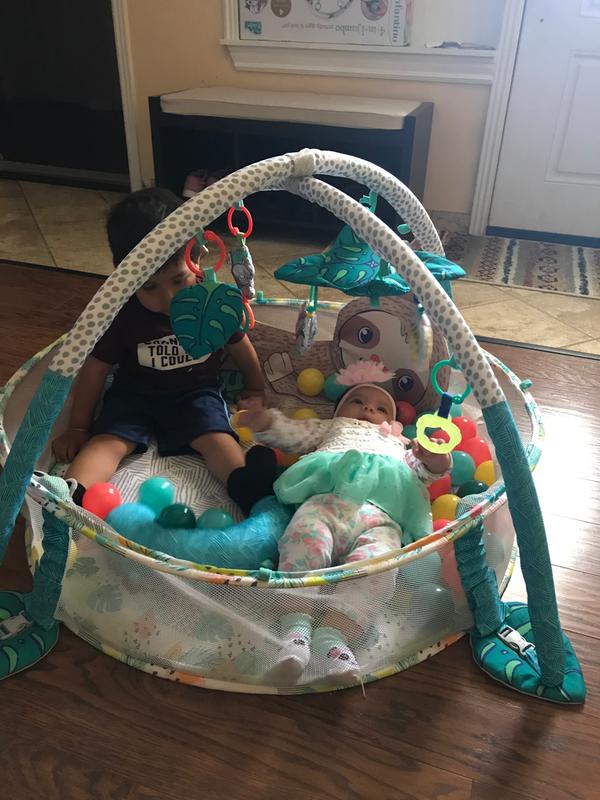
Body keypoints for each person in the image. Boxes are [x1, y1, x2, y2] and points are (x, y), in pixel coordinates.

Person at [52, 188, 276, 515]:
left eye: (179, 281)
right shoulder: (122, 314)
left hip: (195, 393)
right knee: (108, 441)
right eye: (150, 287)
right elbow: (95, 368)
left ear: (197, 260)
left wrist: (255, 386)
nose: (169, 299)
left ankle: (250, 490)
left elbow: (239, 343)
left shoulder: (212, 302)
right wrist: (78, 427)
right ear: (126, 280)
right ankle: (66, 501)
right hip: (134, 394)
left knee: (216, 437)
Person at [239, 360, 451, 684]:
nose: (368, 407)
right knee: (303, 540)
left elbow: (427, 474)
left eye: (381, 407)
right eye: (357, 400)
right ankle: (295, 633)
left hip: (380, 516)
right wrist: (264, 420)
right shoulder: (331, 427)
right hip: (325, 503)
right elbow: (292, 434)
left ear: (393, 423)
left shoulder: (401, 445)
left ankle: (333, 639)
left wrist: (435, 456)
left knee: (377, 567)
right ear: (338, 411)